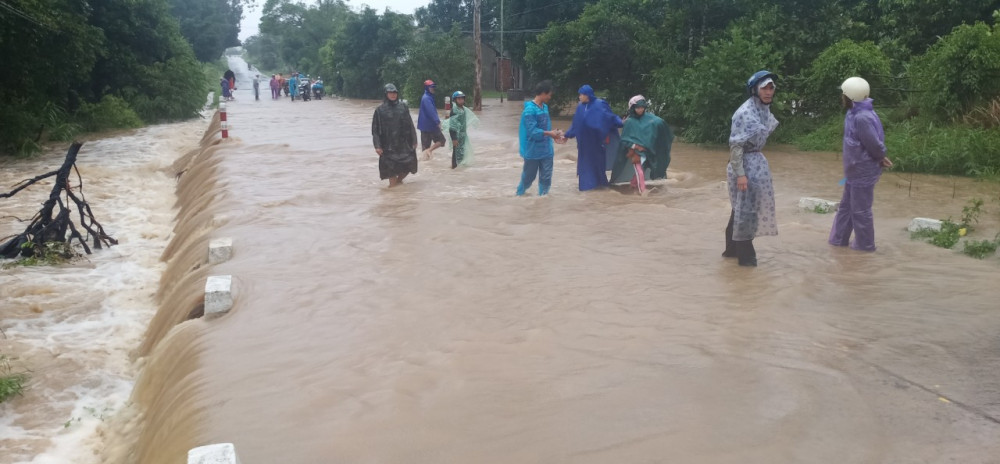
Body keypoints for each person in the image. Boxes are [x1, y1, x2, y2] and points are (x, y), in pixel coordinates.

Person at [723, 70, 780, 267]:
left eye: (771, 88)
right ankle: (747, 261)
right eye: (764, 88)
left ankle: (731, 251)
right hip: (744, 167)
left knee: (741, 209)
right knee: (745, 212)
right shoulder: (745, 113)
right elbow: (736, 146)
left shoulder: (762, 110)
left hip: (756, 165)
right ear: (755, 90)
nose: (768, 92)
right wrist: (741, 175)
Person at [828, 77, 892, 252]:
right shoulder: (852, 113)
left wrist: (881, 157)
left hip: (863, 171)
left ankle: (865, 247)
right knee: (846, 207)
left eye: (844, 94)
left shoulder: (862, 117)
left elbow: (874, 143)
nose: (842, 97)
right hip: (853, 170)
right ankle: (838, 241)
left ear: (850, 97)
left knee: (861, 211)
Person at [561, 85, 622, 191]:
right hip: (583, 145)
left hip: (597, 144)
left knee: (598, 167)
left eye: (581, 94)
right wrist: (567, 135)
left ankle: (600, 189)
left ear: (587, 95)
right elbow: (576, 124)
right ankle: (588, 192)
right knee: (585, 169)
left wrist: (621, 123)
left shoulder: (600, 104)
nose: (579, 97)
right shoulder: (580, 107)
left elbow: (610, 117)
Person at [609, 96, 673, 195]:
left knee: (642, 169)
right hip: (634, 152)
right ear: (632, 108)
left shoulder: (649, 119)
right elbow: (625, 139)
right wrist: (636, 146)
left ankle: (633, 185)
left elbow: (655, 127)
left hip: (646, 151)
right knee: (640, 171)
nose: (640, 109)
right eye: (638, 107)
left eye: (642, 107)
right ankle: (642, 191)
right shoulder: (629, 122)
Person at [517, 80, 565, 196]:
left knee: (546, 177)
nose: (550, 96)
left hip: (547, 150)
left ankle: (543, 200)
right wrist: (550, 133)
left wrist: (555, 134)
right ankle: (519, 195)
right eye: (549, 94)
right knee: (529, 177)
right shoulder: (529, 110)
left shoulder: (545, 107)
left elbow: (546, 127)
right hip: (533, 150)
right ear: (543, 93)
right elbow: (533, 131)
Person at [372, 84, 419, 187]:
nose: (393, 95)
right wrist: (377, 146)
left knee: (409, 164)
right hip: (388, 145)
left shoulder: (403, 107)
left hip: (403, 143)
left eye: (395, 93)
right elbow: (375, 130)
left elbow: (410, 124)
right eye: (390, 93)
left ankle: (399, 181)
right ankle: (392, 192)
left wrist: (414, 139)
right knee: (390, 169)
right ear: (386, 94)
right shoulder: (379, 110)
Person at [445, 90, 475, 168]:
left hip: (462, 136)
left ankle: (460, 170)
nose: (461, 100)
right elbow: (452, 126)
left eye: (462, 98)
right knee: (455, 153)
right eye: (459, 99)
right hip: (456, 136)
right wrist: (454, 139)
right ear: (455, 100)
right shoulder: (455, 110)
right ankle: (454, 169)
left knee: (462, 153)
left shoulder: (462, 109)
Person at [417, 80, 445, 160]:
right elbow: (431, 111)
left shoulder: (427, 97)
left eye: (433, 87)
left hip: (425, 126)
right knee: (442, 140)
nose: (433, 88)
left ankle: (426, 166)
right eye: (431, 87)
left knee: (425, 149)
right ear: (426, 88)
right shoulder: (426, 98)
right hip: (431, 126)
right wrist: (438, 122)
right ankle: (429, 151)